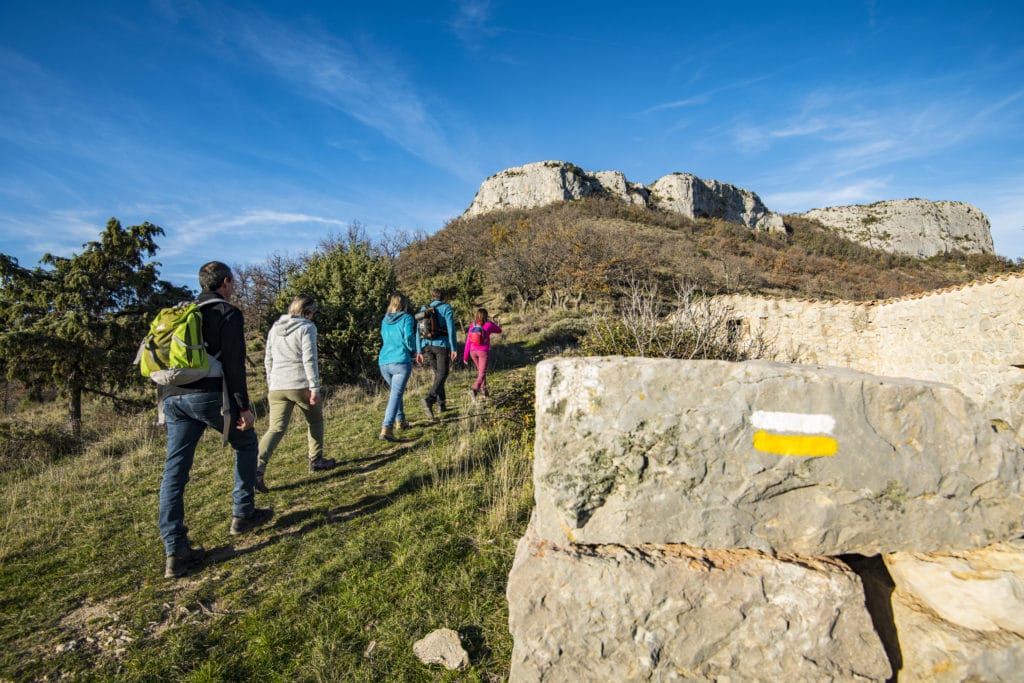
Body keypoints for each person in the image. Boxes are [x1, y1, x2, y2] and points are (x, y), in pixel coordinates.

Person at [158, 261, 272, 579]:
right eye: (232, 281)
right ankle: (243, 513)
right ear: (224, 282)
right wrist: (244, 408)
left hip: (172, 396)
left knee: (174, 471)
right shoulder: (227, 313)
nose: (233, 286)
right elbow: (234, 366)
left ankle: (175, 550)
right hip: (208, 394)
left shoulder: (181, 312)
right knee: (247, 442)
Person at [255, 294, 336, 493]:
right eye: (313, 313)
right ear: (307, 312)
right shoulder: (307, 327)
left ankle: (255, 471)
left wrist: (271, 383)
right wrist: (314, 387)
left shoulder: (275, 327)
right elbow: (309, 359)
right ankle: (315, 460)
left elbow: (268, 359)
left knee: (275, 429)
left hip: (277, 385)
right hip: (300, 383)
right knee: (315, 422)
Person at [378, 293, 416, 441]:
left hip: (384, 361)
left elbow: (384, 337)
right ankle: (387, 428)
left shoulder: (384, 320)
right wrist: (413, 350)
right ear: (404, 304)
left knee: (396, 392)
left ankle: (400, 421)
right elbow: (408, 338)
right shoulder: (407, 318)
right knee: (395, 394)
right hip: (400, 360)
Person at [415, 288, 458, 419]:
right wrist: (454, 348)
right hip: (441, 346)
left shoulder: (424, 308)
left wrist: (418, 350)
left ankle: (442, 404)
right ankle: (430, 399)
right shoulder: (446, 308)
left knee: (438, 375)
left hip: (426, 346)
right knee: (443, 373)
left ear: (432, 297)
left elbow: (418, 331)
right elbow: (451, 329)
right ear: (443, 297)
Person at [463, 308, 502, 400]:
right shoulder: (489, 324)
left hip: (473, 352)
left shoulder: (472, 326)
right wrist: (494, 323)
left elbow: (468, 341)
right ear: (486, 315)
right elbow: (499, 330)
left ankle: (485, 392)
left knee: (481, 372)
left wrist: (465, 356)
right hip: (483, 352)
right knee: (482, 373)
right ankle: (475, 389)